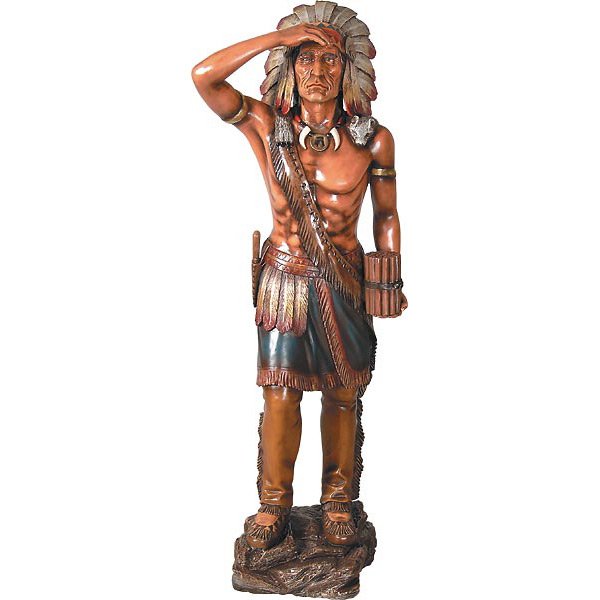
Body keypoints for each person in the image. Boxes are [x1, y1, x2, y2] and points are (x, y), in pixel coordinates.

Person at [192, 2, 407, 549]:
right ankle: (273, 505)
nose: (317, 71)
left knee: (344, 393)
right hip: (286, 280)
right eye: (305, 58)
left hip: (346, 281)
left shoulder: (373, 139)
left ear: (348, 68)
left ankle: (338, 500)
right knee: (281, 396)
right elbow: (204, 76)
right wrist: (274, 40)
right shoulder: (268, 126)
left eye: (329, 59)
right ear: (289, 68)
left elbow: (386, 214)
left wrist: (389, 279)